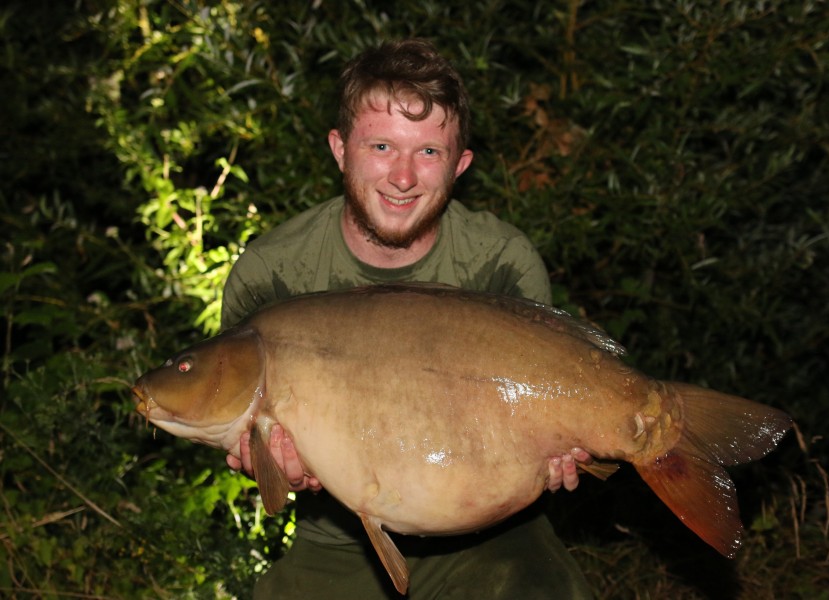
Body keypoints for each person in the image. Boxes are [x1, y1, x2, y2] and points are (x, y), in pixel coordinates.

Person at [221, 39, 593, 599]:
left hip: (489, 532)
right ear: (340, 148)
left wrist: (566, 450)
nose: (402, 177)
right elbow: (253, 446)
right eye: (381, 146)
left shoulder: (502, 263)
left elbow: (546, 413)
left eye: (428, 153)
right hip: (338, 539)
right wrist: (269, 466)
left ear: (460, 165)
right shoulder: (271, 274)